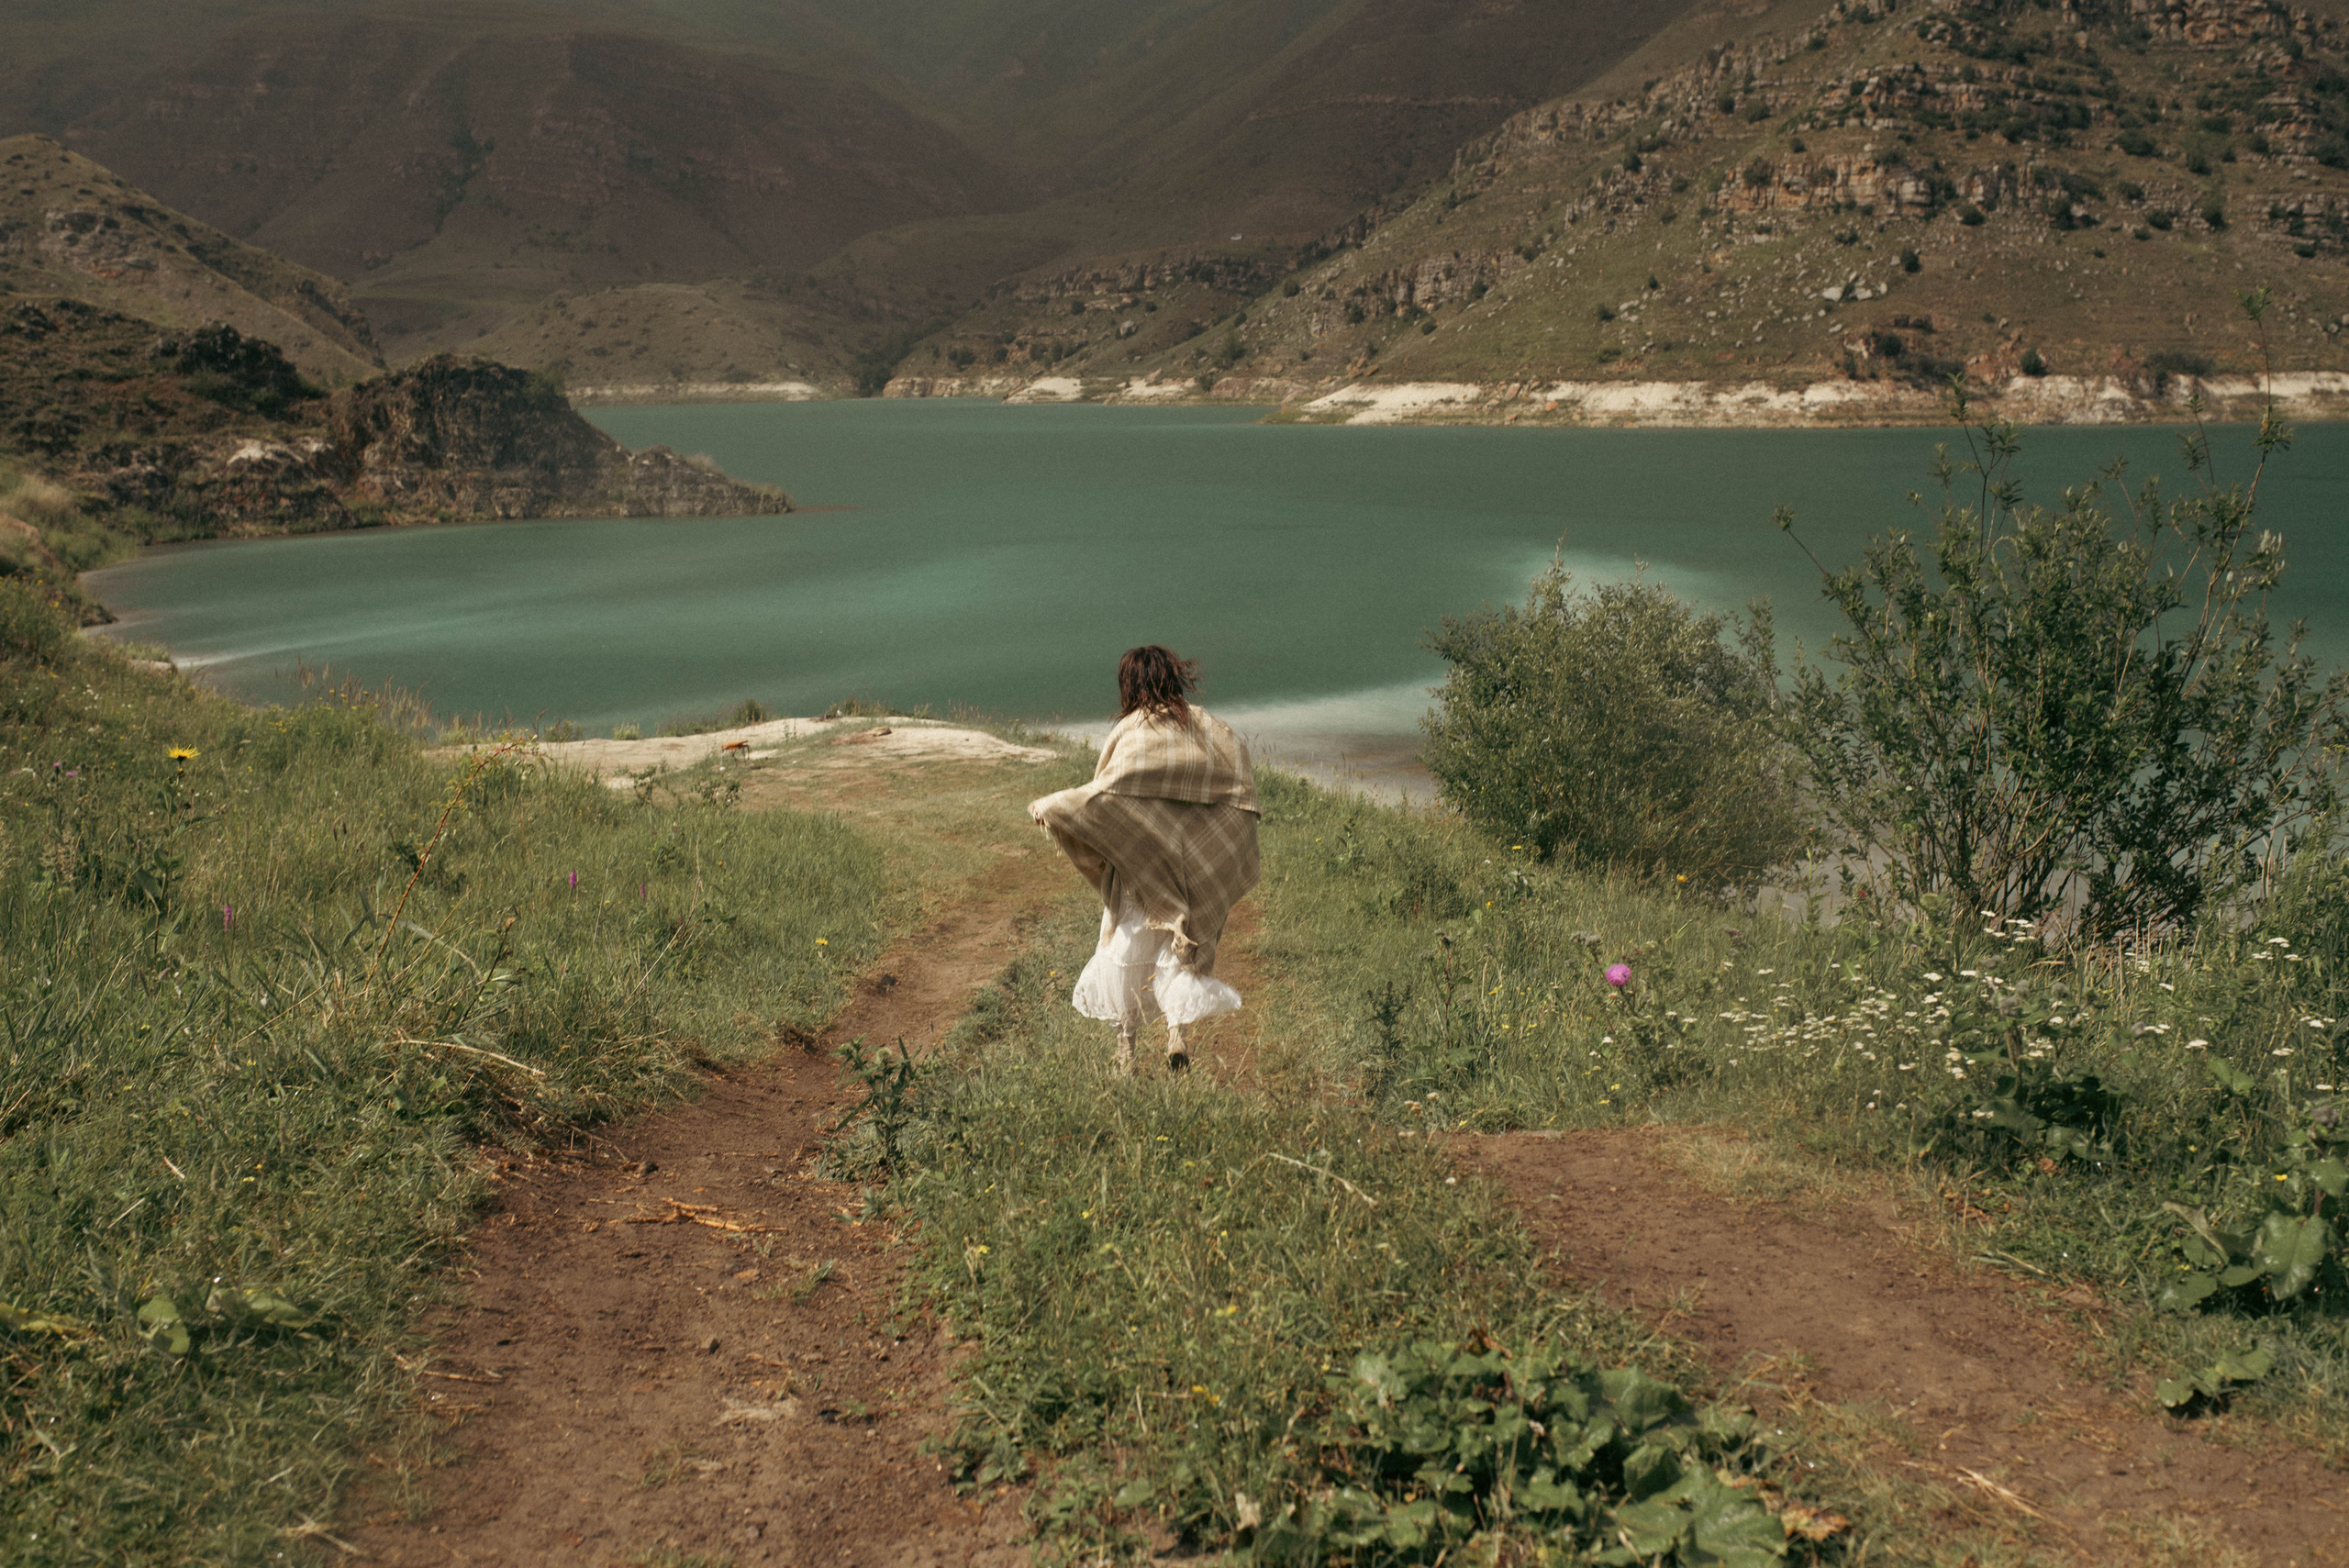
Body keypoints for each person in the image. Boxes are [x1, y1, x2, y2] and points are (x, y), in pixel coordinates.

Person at [1029, 646, 1261, 1075]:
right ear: (1174, 678)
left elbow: (1104, 796)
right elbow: (1239, 791)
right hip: (1193, 868)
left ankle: (1126, 1053)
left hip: (1143, 873)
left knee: (1128, 947)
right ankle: (1177, 1034)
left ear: (1129, 685)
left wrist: (1053, 806)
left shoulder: (1133, 729)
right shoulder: (1207, 726)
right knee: (1182, 948)